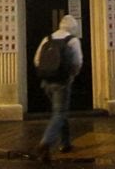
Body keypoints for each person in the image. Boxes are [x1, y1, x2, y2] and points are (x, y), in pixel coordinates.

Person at [33, 14, 83, 162]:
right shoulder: (72, 40)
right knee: (59, 113)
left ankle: (65, 143)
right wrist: (72, 75)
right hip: (62, 83)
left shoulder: (47, 39)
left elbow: (37, 60)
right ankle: (46, 142)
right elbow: (78, 62)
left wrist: (46, 73)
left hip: (46, 82)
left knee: (60, 112)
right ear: (74, 27)